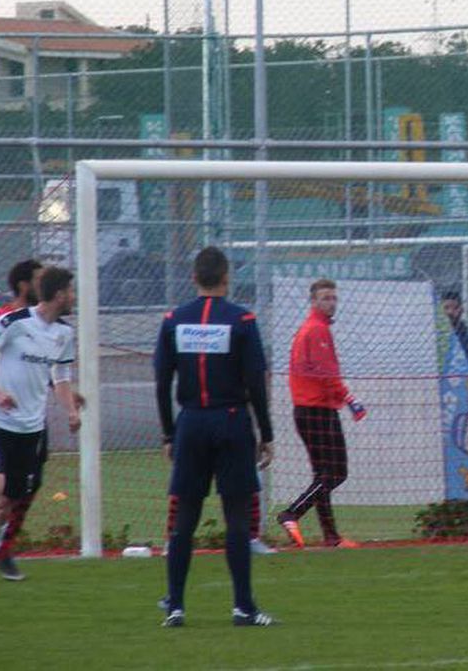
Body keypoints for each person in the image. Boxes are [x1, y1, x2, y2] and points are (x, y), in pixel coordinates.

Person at [154, 247, 276, 628]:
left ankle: (175, 605)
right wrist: (266, 433)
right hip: (231, 420)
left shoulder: (174, 320)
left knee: (185, 519)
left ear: (194, 278)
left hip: (190, 423)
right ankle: (243, 607)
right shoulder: (242, 319)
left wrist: (168, 432)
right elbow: (256, 381)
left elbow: (162, 381)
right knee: (237, 517)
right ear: (227, 278)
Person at [0, 267, 81, 598]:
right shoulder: (14, 322)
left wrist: (70, 409)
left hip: (30, 430)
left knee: (6, 504)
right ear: (59, 295)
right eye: (71, 291)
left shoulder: (64, 333)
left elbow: (61, 378)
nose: (74, 297)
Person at [276, 279, 366, 549]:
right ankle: (292, 513)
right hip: (317, 410)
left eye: (333, 298)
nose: (331, 303)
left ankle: (331, 536)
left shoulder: (312, 329)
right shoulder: (316, 331)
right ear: (313, 302)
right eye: (325, 298)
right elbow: (327, 373)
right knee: (337, 472)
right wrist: (350, 399)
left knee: (323, 475)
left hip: (306, 410)